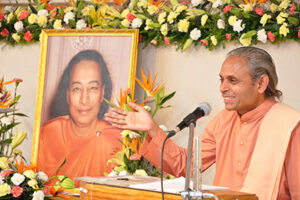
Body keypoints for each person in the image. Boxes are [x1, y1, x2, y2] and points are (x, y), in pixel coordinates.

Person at [105, 47, 300, 200]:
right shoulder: (223, 120)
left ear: (261, 84)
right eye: (222, 80)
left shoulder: (289, 125)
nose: (223, 88)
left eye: (233, 80)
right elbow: (186, 166)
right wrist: (153, 129)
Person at [37, 50, 122, 185]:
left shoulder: (117, 141)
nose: (84, 99)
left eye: (92, 88)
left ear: (102, 93)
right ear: (67, 94)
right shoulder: (46, 133)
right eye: (77, 88)